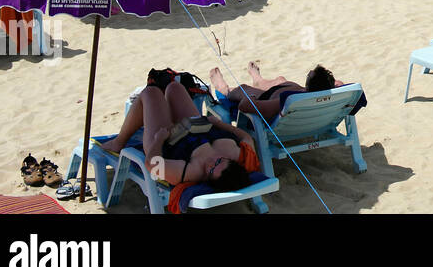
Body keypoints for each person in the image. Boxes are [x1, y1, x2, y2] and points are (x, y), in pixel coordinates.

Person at [98, 77, 255, 193]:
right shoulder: (235, 154)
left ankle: (119, 141)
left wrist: (159, 140)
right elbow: (247, 138)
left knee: (151, 93)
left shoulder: (191, 172)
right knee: (175, 88)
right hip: (196, 127)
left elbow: (152, 164)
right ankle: (159, 113)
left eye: (212, 169)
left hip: (166, 140)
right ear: (230, 161)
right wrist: (220, 124)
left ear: (210, 180)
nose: (212, 162)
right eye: (219, 161)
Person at [209, 63, 343, 124]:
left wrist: (251, 97)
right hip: (286, 90)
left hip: (268, 97)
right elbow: (340, 83)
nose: (308, 73)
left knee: (242, 88)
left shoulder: (288, 102)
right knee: (281, 80)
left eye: (310, 74)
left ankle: (224, 89)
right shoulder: (331, 95)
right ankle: (258, 80)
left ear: (310, 84)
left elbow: (246, 106)